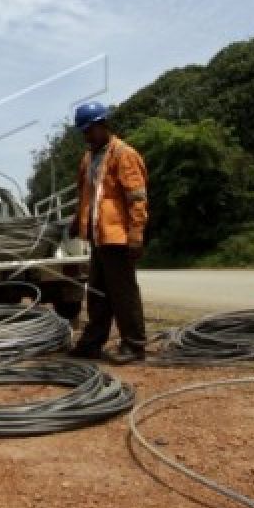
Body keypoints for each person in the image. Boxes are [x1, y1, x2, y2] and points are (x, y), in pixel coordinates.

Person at [66, 101, 149, 365]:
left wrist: (136, 234)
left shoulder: (123, 154)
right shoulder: (89, 158)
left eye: (89, 130)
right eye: (83, 132)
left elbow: (137, 197)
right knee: (98, 293)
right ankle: (92, 343)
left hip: (118, 237)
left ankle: (134, 345)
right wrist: (77, 220)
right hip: (98, 237)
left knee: (123, 293)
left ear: (103, 125)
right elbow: (87, 196)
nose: (86, 136)